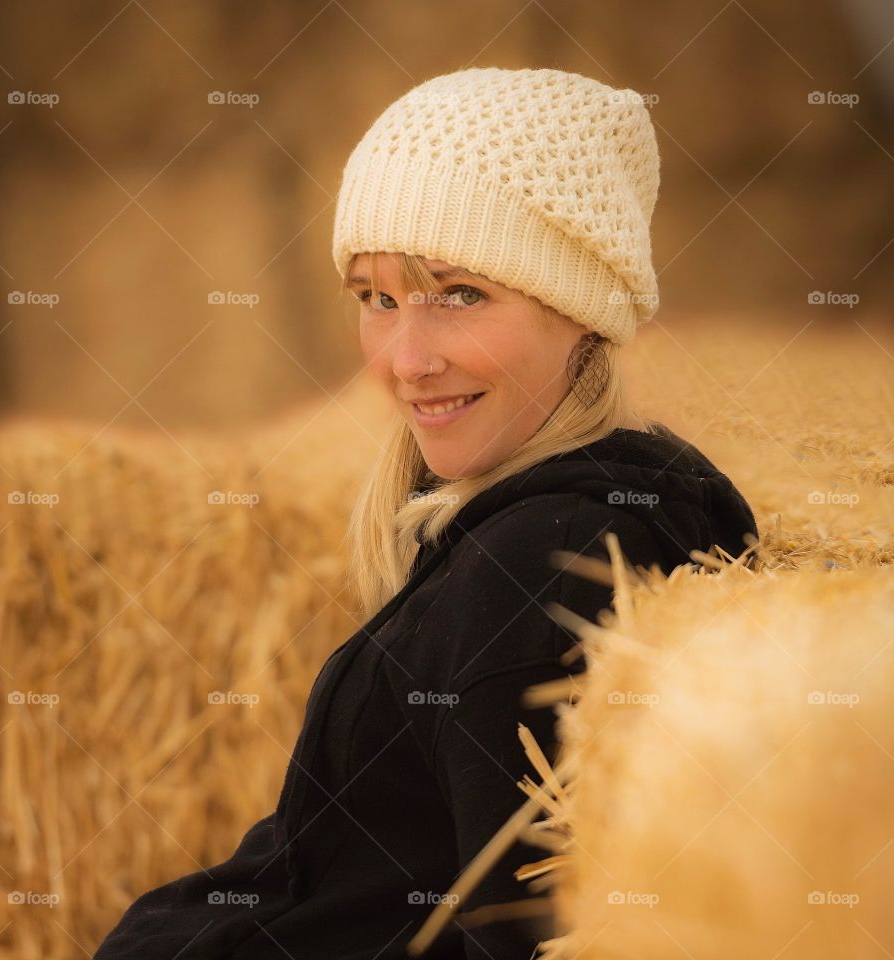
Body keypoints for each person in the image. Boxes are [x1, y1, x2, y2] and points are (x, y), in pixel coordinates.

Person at [93, 66, 758, 960]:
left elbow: (510, 934)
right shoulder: (528, 518)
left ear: (579, 307)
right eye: (377, 299)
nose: (405, 361)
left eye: (460, 295)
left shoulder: (543, 561)